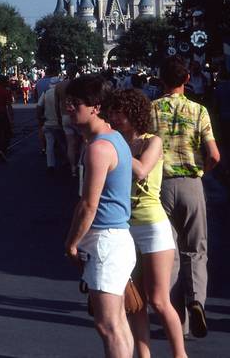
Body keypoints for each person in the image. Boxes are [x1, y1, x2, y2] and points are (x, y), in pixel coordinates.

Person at [105, 89, 186, 358]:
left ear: (132, 114)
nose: (113, 117)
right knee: (135, 302)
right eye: (112, 111)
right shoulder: (115, 142)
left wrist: (112, 147)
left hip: (153, 227)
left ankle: (179, 355)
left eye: (118, 111)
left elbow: (141, 170)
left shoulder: (153, 142)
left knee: (159, 300)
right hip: (124, 228)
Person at [63, 75, 136, 358]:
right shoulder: (113, 139)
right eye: (68, 102)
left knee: (108, 326)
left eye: (75, 103)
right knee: (117, 323)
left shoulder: (99, 148)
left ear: (95, 106)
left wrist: (71, 243)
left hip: (105, 242)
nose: (69, 108)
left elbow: (88, 205)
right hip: (115, 240)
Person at [151, 56, 220, 339]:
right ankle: (196, 301)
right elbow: (214, 154)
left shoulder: (151, 110)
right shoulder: (198, 111)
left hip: (160, 186)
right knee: (195, 249)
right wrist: (202, 170)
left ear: (161, 80)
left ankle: (177, 322)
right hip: (191, 183)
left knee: (170, 252)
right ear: (187, 79)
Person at [37, 84, 61, 174]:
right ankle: (71, 163)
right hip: (59, 122)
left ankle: (50, 165)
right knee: (64, 142)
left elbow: (39, 106)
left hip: (48, 123)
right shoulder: (62, 92)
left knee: (49, 145)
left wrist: (39, 118)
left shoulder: (46, 93)